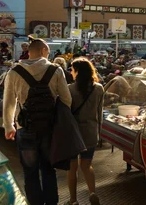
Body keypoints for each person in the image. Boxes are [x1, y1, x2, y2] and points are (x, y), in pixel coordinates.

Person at [3, 37, 72, 205]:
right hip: (49, 128)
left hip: (25, 128)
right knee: (48, 169)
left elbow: (9, 102)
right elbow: (67, 100)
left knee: (30, 172)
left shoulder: (14, 72)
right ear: (43, 51)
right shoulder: (56, 70)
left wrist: (8, 126)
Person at [66, 58, 104, 205]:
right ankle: (93, 193)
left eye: (72, 69)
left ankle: (73, 200)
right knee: (86, 166)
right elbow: (99, 113)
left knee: (72, 168)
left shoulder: (69, 89)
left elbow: (66, 113)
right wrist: (99, 134)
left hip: (73, 134)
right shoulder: (99, 88)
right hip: (90, 132)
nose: (71, 72)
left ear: (77, 71)